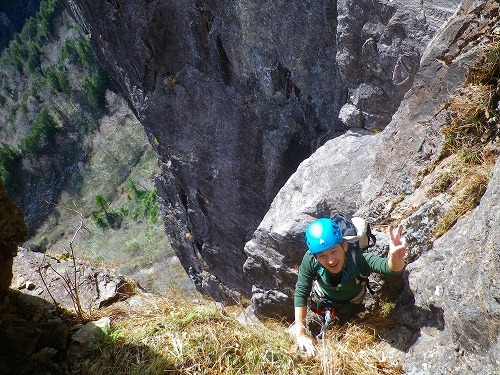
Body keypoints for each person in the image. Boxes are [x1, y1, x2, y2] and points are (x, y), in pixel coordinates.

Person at [292, 217, 407, 355]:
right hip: (321, 304)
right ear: (315, 257)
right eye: (322, 256)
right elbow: (301, 292)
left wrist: (396, 258)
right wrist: (301, 334)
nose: (330, 260)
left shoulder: (358, 259)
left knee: (345, 326)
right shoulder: (310, 259)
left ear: (344, 245)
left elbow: (388, 268)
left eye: (334, 251)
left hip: (351, 307)